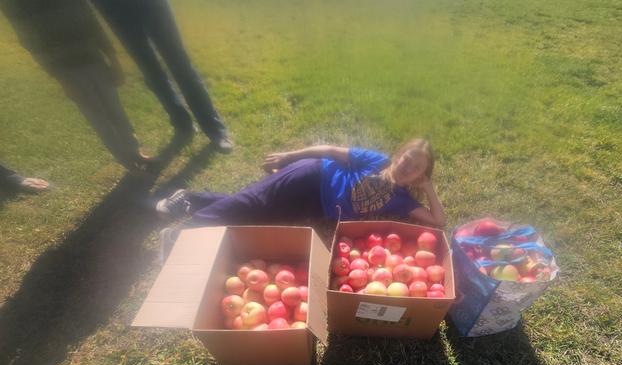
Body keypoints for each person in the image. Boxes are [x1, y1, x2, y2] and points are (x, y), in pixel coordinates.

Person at [0, 0, 152, 171]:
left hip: (94, 59)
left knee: (116, 110)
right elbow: (30, 41)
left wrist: (113, 58)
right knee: (98, 118)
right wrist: (60, 79)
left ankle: (134, 151)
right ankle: (126, 160)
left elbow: (91, 20)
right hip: (67, 71)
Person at [156, 138, 446, 227]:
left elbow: (438, 222)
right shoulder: (378, 160)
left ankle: (190, 199)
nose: (408, 166)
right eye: (408, 158)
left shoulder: (404, 200)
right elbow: (331, 151)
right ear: (400, 154)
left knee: (258, 217)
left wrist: (429, 189)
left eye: (416, 167)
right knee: (254, 202)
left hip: (315, 208)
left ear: (420, 175)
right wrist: (289, 155)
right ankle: (187, 230)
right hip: (311, 176)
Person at [91, 0, 233, 152]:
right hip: (113, 7)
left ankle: (215, 129)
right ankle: (182, 123)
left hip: (152, 5)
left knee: (180, 63)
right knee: (150, 71)